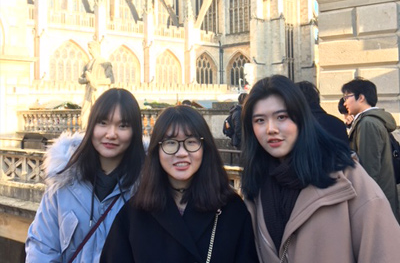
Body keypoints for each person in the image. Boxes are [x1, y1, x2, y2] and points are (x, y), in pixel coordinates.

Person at [241, 75, 400, 263]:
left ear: (302, 119)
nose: (271, 129)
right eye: (260, 120)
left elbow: (383, 253)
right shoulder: (254, 186)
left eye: (281, 117)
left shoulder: (348, 178)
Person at [100, 105, 259, 263]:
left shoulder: (232, 210)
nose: (181, 153)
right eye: (170, 143)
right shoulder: (134, 214)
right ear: (157, 150)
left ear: (204, 148)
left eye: (191, 142)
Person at [25, 88, 145, 263]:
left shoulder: (148, 187)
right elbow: (41, 249)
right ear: (91, 126)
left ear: (135, 131)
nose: (111, 134)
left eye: (123, 126)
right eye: (103, 123)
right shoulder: (62, 182)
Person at [342, 77, 400, 221]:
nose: (344, 103)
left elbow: (368, 168)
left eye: (346, 97)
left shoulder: (368, 123)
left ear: (361, 97)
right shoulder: (371, 120)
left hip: (375, 201)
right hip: (381, 196)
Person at [78, 40, 115, 131]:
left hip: (99, 92)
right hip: (88, 93)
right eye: (88, 49)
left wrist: (95, 81)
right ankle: (86, 134)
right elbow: (80, 79)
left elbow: (111, 79)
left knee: (100, 114)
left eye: (90, 48)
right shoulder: (88, 64)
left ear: (96, 49)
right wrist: (87, 79)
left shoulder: (105, 63)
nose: (89, 51)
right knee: (85, 115)